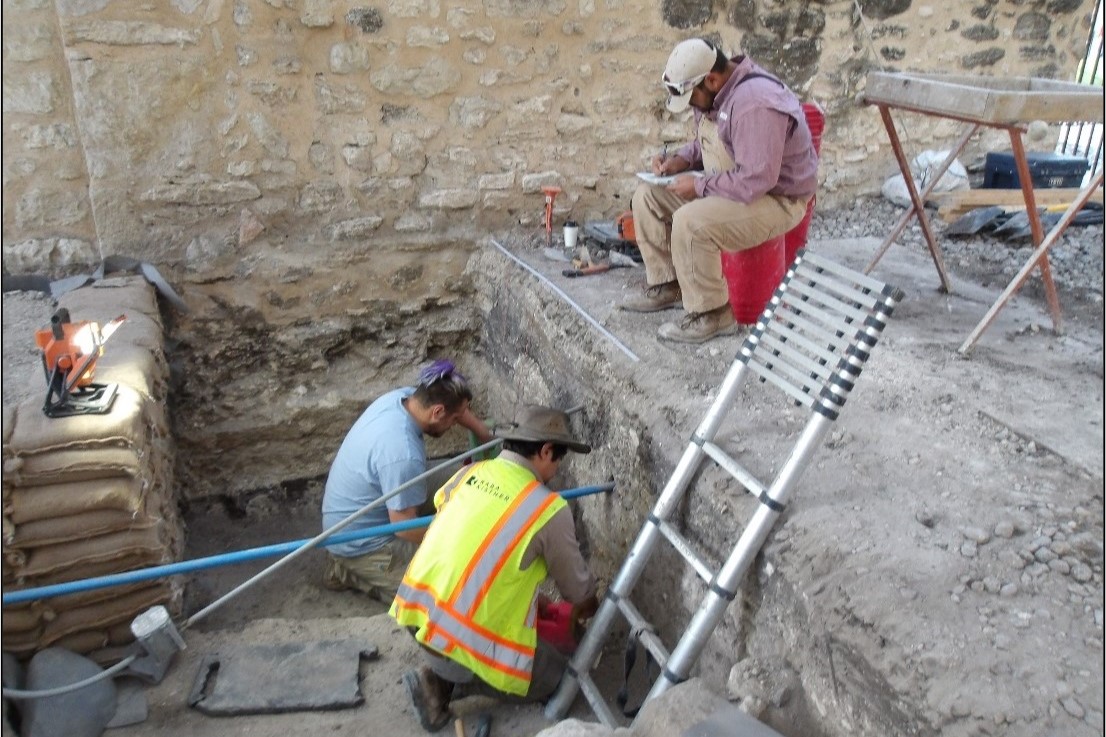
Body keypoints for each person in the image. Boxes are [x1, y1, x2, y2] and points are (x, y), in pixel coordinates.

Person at [390, 404, 599, 732]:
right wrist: (589, 607)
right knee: (559, 675)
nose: (557, 470)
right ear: (545, 451)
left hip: (418, 616)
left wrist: (530, 600)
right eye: (558, 459)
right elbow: (578, 594)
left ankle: (445, 668)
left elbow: (477, 552)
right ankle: (448, 681)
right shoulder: (548, 508)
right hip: (459, 639)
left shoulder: (468, 474)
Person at [621, 37, 819, 344]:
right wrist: (680, 159)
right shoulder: (716, 94)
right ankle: (669, 284)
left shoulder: (755, 103)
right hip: (736, 185)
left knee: (691, 221)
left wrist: (698, 184)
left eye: (690, 99)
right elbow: (714, 142)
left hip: (778, 199)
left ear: (711, 79)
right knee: (647, 197)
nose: (690, 108)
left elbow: (756, 179)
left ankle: (712, 314)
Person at [320, 359, 493, 601]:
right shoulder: (403, 453)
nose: (456, 424)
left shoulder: (402, 399)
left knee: (469, 478)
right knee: (446, 593)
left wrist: (482, 431)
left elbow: (456, 408)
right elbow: (404, 528)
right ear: (437, 412)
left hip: (366, 507)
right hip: (362, 541)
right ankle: (348, 569)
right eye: (454, 420)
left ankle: (357, 567)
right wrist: (459, 538)